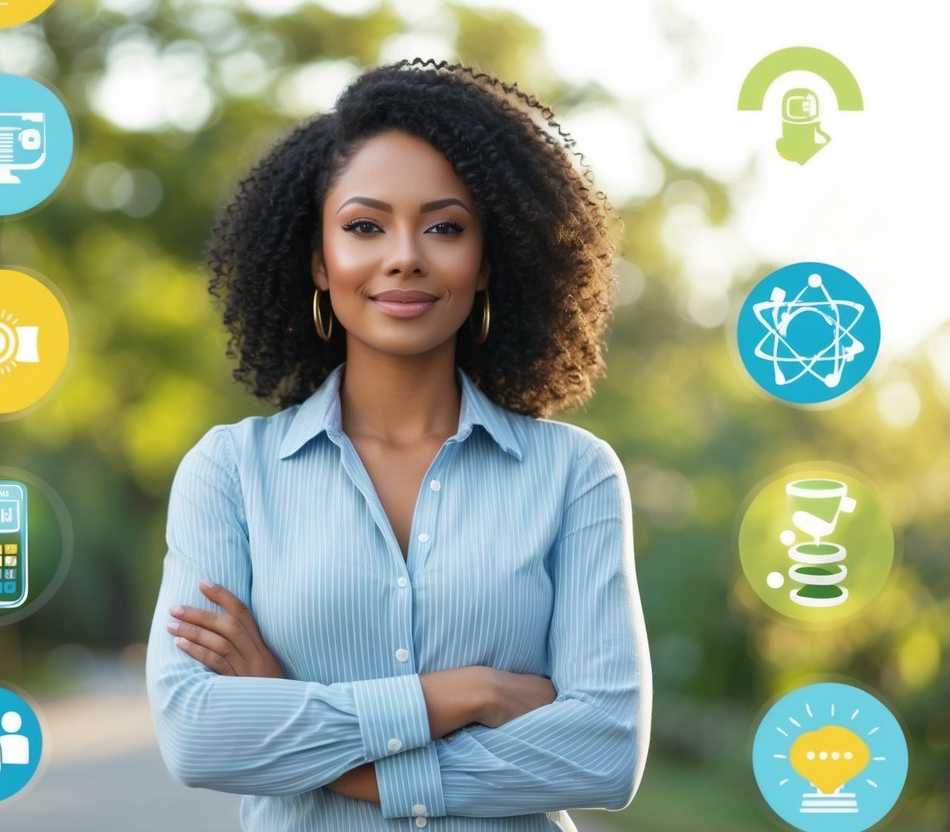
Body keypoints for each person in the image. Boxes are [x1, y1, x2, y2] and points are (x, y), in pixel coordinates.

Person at [146, 57, 651, 830]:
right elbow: (196, 735)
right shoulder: (231, 472)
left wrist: (295, 719)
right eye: (363, 226)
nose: (405, 254)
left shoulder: (573, 474)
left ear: (485, 263)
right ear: (319, 260)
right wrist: (467, 693)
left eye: (444, 227)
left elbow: (603, 753)